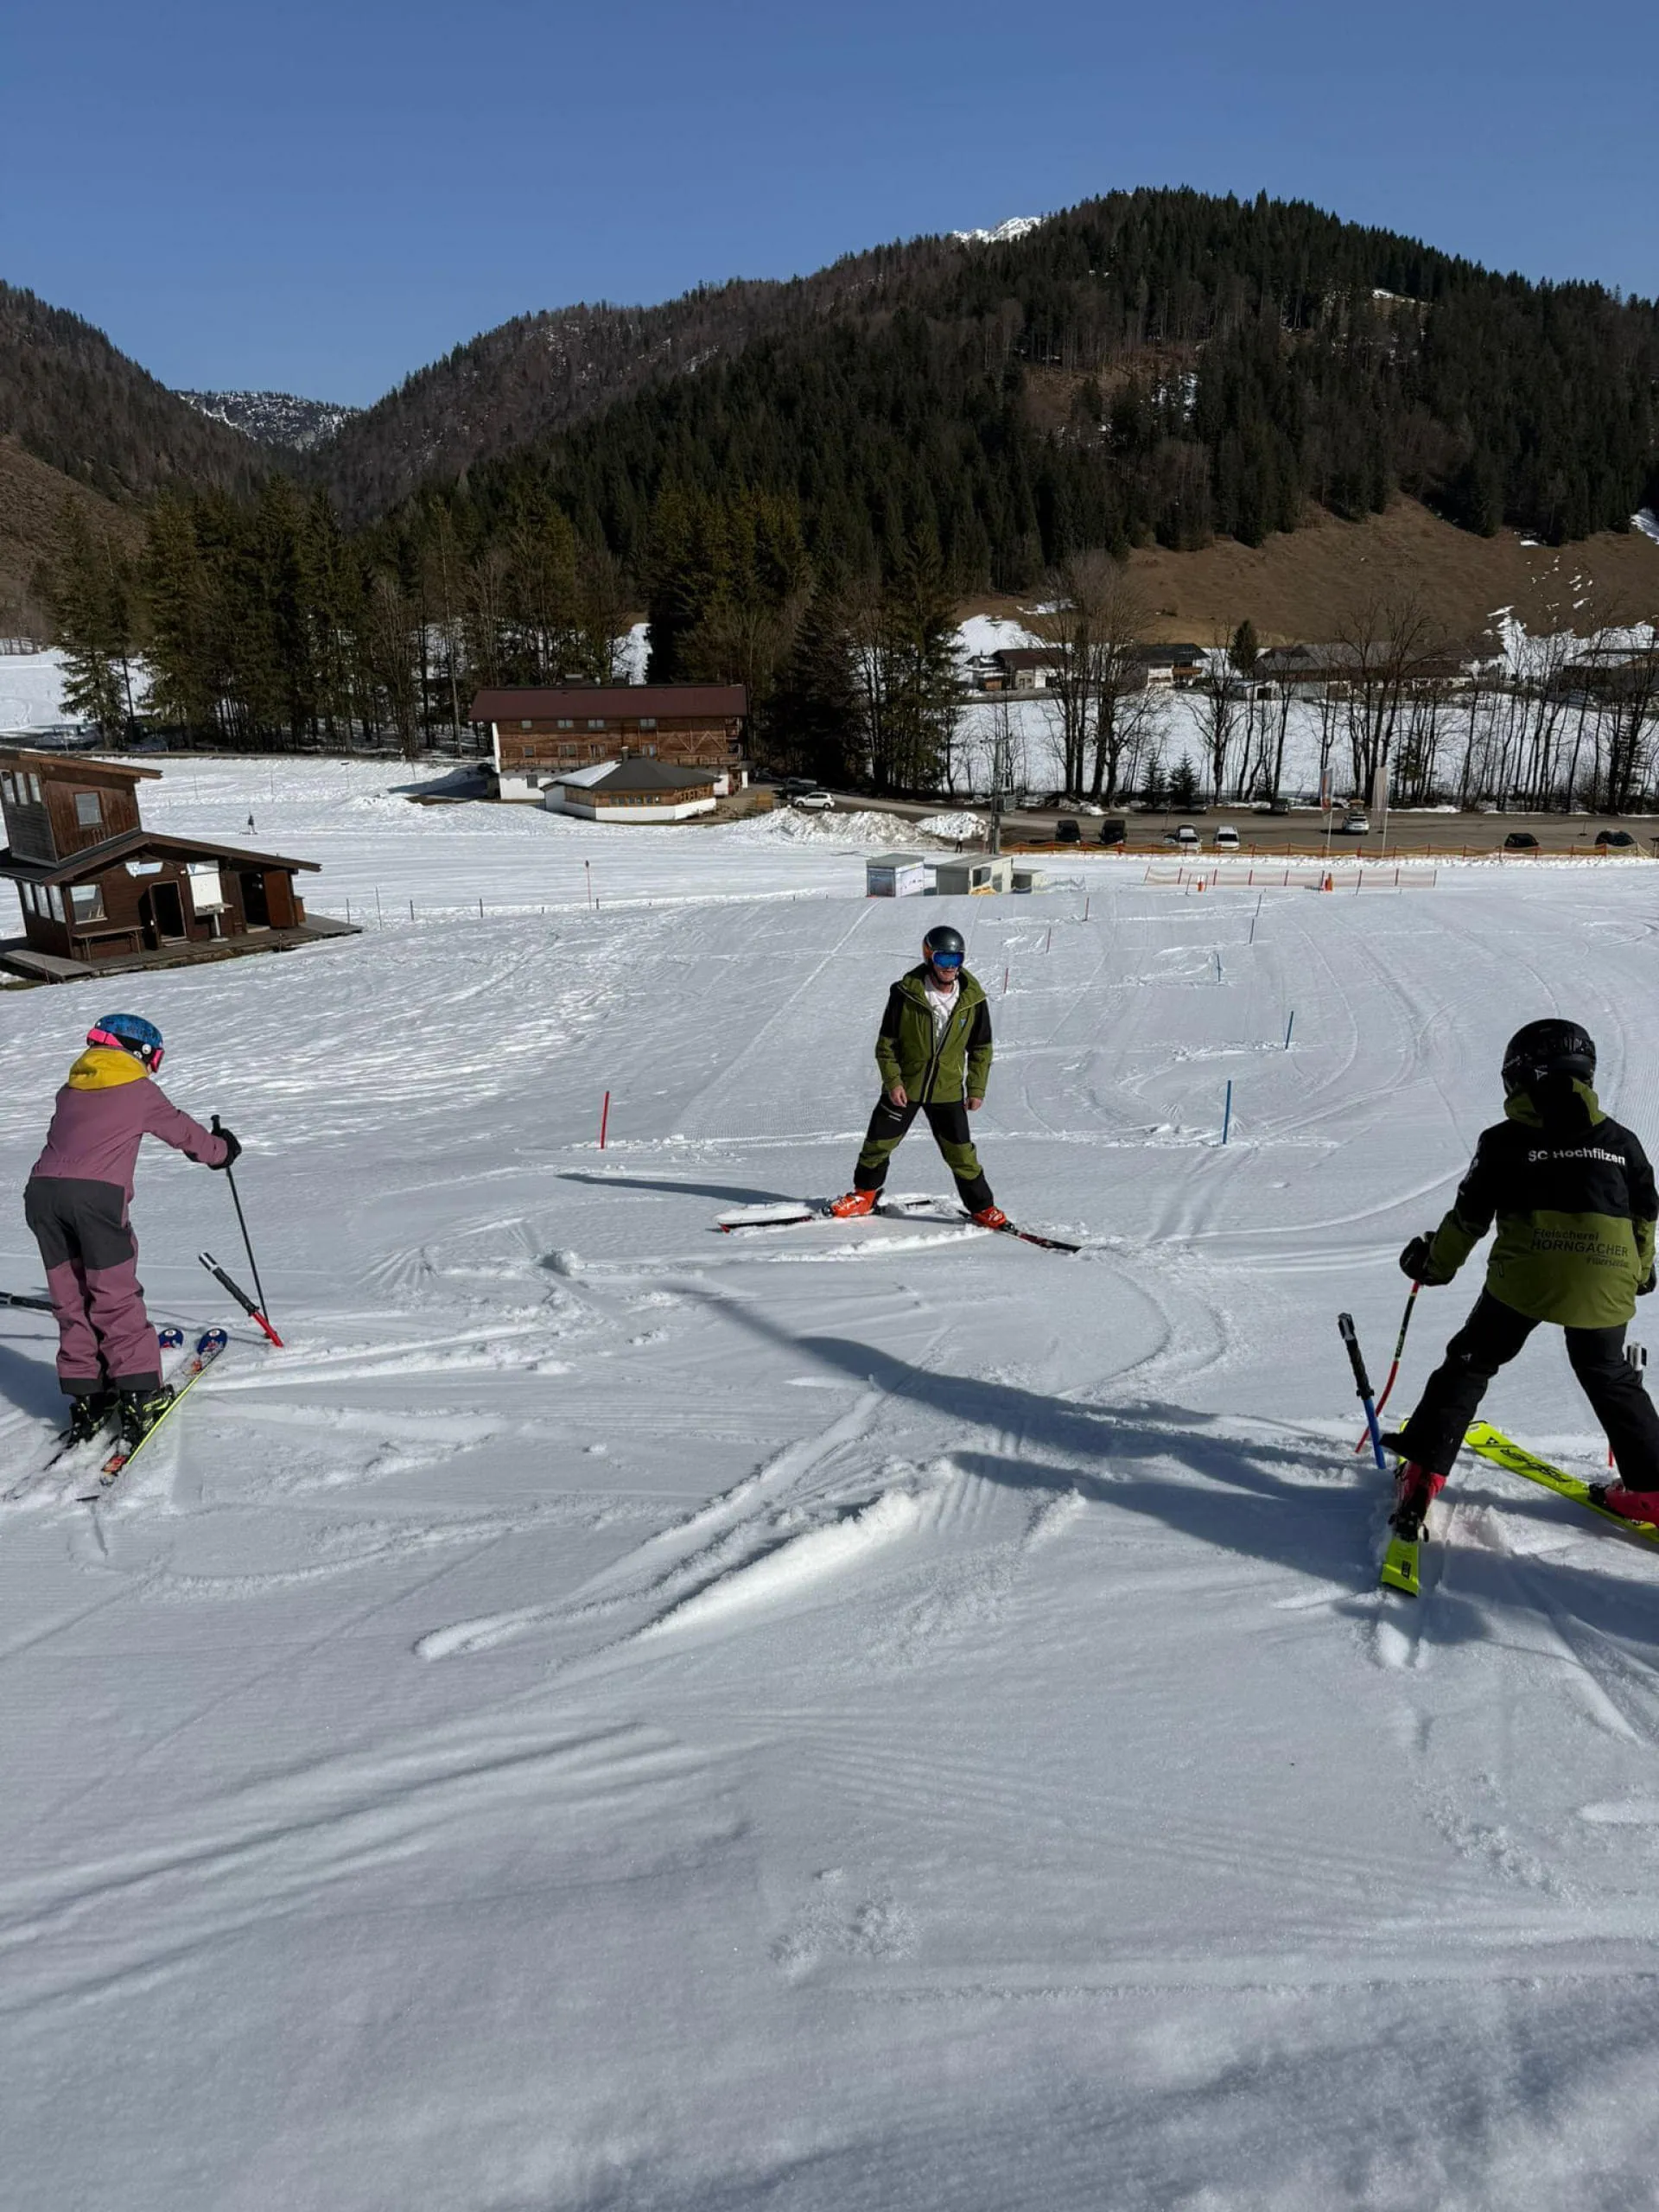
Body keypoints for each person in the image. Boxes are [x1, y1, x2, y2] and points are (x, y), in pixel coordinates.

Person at [1388, 1018, 1659, 1535]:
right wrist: (1641, 1273)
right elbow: (1645, 1216)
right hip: (1607, 1277)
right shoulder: (1622, 1141)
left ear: (1522, 1076)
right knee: (1609, 1375)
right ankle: (1654, 1492)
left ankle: (1423, 1472)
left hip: (1525, 1278)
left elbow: (1468, 1218)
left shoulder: (1505, 1140)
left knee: (1470, 1363)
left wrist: (1434, 1265)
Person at [24, 1014, 239, 1446]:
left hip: (42, 1195)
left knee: (71, 1298)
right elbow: (186, 1134)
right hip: (95, 1199)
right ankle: (140, 1393)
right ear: (139, 1052)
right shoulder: (138, 1091)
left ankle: (87, 1394)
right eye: (153, 1058)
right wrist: (223, 1150)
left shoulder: (71, 1089)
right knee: (113, 1294)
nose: (152, 1067)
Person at [830, 925, 1007, 1229]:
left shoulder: (973, 1000)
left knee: (961, 1154)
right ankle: (864, 1196)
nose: (950, 967)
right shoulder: (905, 994)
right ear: (929, 957)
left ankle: (982, 1207)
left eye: (956, 959)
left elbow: (981, 1048)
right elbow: (886, 1045)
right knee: (878, 1143)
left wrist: (976, 1088)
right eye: (943, 959)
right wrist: (894, 1082)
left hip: (948, 1090)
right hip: (906, 1086)